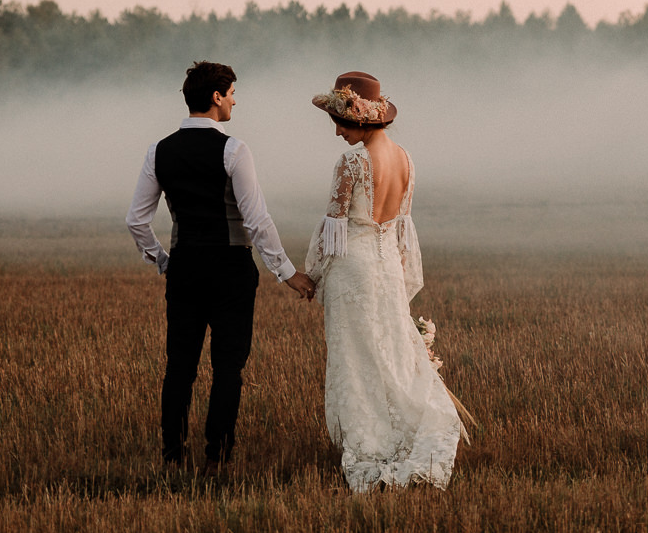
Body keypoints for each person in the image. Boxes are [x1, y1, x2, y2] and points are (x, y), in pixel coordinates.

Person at [127, 60, 317, 475]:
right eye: (232, 93)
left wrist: (162, 260)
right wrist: (287, 273)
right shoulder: (234, 149)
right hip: (231, 269)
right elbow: (257, 220)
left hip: (185, 268)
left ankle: (173, 457)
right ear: (216, 97)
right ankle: (217, 457)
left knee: (179, 366)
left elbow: (136, 221)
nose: (234, 100)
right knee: (228, 367)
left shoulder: (158, 150)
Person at [305, 71, 462, 492]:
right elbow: (401, 229)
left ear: (362, 119)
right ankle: (403, 432)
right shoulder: (406, 159)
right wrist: (397, 270)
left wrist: (313, 277)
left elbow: (334, 230)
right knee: (388, 352)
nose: (337, 131)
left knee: (357, 359)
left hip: (353, 269)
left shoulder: (353, 162)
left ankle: (370, 441)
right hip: (387, 265)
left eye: (341, 121)